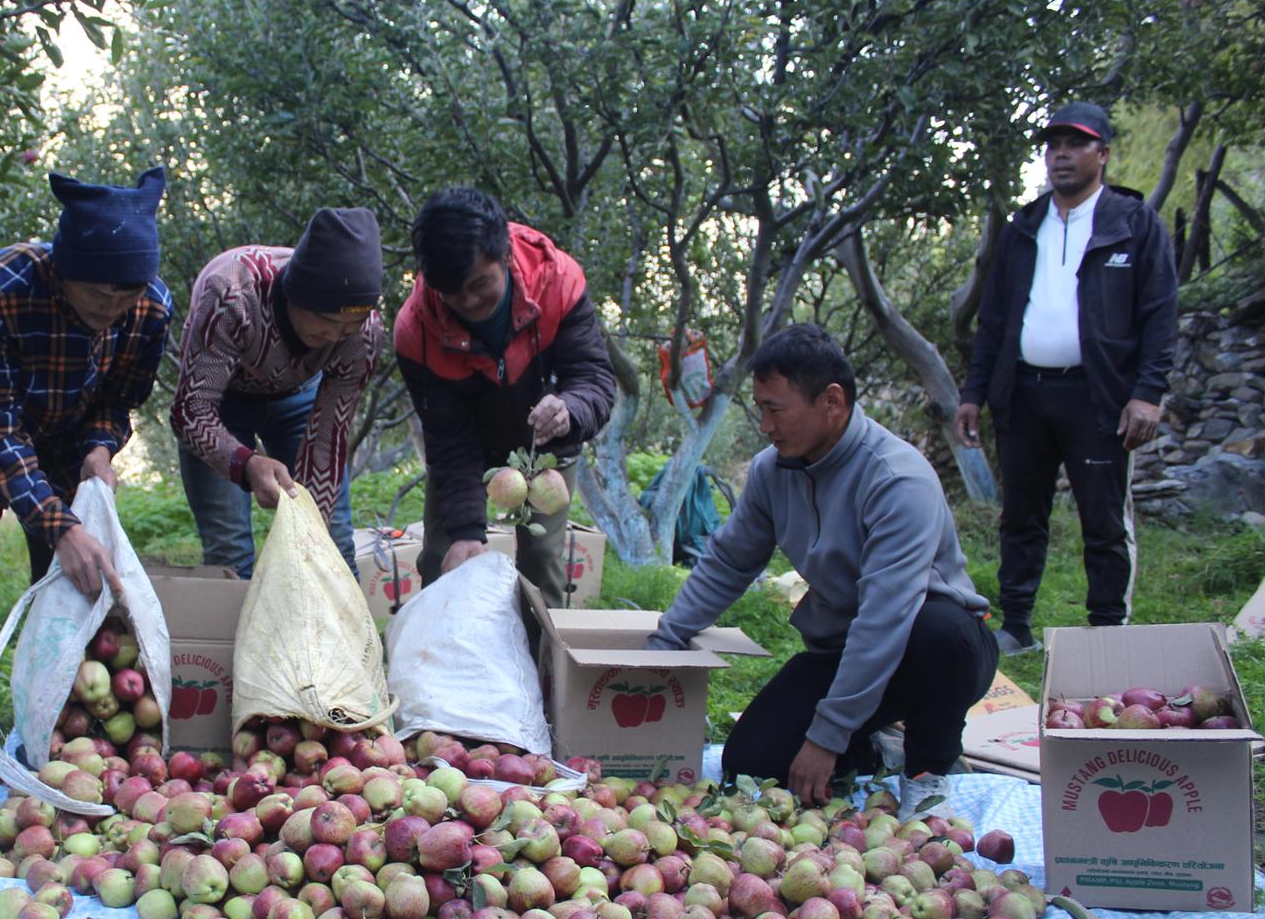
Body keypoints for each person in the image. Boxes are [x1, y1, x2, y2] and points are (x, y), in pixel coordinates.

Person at [646, 325, 997, 815]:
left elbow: (885, 618)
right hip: (847, 651)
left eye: (775, 410)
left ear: (832, 401)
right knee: (751, 762)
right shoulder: (773, 471)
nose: (765, 426)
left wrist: (826, 737)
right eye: (760, 409)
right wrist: (665, 640)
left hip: (927, 650)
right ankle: (878, 750)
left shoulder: (897, 480)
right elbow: (729, 561)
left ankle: (927, 770)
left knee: (943, 634)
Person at [0, 166, 170, 781]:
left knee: (69, 590)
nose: (113, 311)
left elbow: (117, 399)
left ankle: (60, 727)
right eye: (99, 297)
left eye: (125, 299)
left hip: (59, 444)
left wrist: (99, 448)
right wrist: (59, 525)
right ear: (63, 272)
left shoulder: (149, 307)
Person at [957, 102, 1178, 655]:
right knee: (1021, 516)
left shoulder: (1134, 223)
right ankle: (1017, 626)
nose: (1061, 154)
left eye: (1076, 144)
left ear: (1103, 154)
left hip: (1098, 396)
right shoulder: (1024, 227)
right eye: (1053, 145)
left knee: (1103, 520)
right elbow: (995, 319)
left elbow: (1160, 314)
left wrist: (1147, 394)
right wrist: (974, 393)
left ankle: (1108, 631)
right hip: (1024, 393)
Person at [394, 188, 616, 606]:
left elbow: (594, 378)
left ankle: (540, 649)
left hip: (545, 442)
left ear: (507, 257)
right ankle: (439, 647)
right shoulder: (416, 332)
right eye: (452, 293)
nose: (469, 302)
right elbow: (448, 437)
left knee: (541, 562)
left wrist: (570, 410)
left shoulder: (558, 282)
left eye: (480, 284)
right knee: (443, 557)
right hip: (469, 448)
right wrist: (466, 531)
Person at [171, 208, 383, 576]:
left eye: (349, 326)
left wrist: (316, 532)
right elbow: (191, 410)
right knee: (230, 549)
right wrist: (247, 464)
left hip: (298, 397)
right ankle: (230, 615)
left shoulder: (362, 334)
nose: (334, 337)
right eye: (327, 322)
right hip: (219, 401)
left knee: (332, 542)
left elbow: (328, 435)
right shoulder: (232, 295)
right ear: (294, 296)